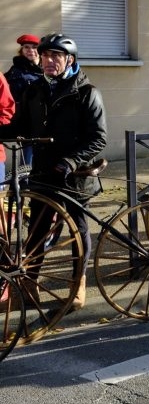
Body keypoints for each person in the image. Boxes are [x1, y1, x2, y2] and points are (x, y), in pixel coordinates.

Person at [0, 33, 107, 310]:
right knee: (36, 230)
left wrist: (72, 161)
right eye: (46, 56)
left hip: (75, 175)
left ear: (69, 59)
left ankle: (78, 282)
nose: (49, 61)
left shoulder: (86, 92)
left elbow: (98, 138)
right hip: (43, 172)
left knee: (78, 229)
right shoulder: (34, 90)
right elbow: (20, 126)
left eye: (56, 56)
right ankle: (29, 285)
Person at [4, 34, 41, 166]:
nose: (30, 50)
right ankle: (25, 182)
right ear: (22, 51)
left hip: (43, 119)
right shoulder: (16, 71)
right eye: (26, 47)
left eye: (34, 47)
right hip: (27, 120)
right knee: (28, 154)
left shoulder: (45, 69)